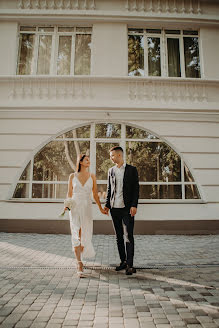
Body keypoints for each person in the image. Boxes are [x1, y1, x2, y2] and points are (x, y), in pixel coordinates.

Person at [65, 154, 106, 278]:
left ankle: (80, 257)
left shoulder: (92, 176)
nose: (89, 161)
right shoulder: (72, 176)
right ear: (81, 162)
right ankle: (79, 263)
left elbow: (95, 195)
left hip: (87, 207)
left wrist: (100, 208)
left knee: (85, 234)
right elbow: (69, 193)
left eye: (89, 160)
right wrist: (66, 205)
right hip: (75, 207)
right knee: (76, 232)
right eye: (86, 160)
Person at [104, 146, 139, 275]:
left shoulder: (132, 170)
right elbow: (109, 190)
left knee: (128, 236)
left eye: (112, 155)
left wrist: (134, 205)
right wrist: (107, 205)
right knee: (119, 237)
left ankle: (130, 265)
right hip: (114, 209)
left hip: (127, 208)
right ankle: (123, 261)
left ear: (119, 155)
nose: (111, 158)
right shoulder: (111, 171)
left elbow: (136, 189)